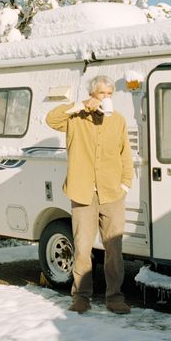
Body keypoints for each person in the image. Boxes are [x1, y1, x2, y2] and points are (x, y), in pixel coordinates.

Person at [46, 75, 133, 314]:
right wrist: (80, 106)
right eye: (101, 94)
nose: (106, 98)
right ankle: (81, 297)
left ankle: (114, 297)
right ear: (92, 95)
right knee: (83, 247)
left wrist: (125, 184)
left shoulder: (118, 121)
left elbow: (126, 154)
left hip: (113, 193)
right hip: (82, 193)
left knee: (113, 248)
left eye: (109, 94)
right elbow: (51, 119)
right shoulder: (75, 118)